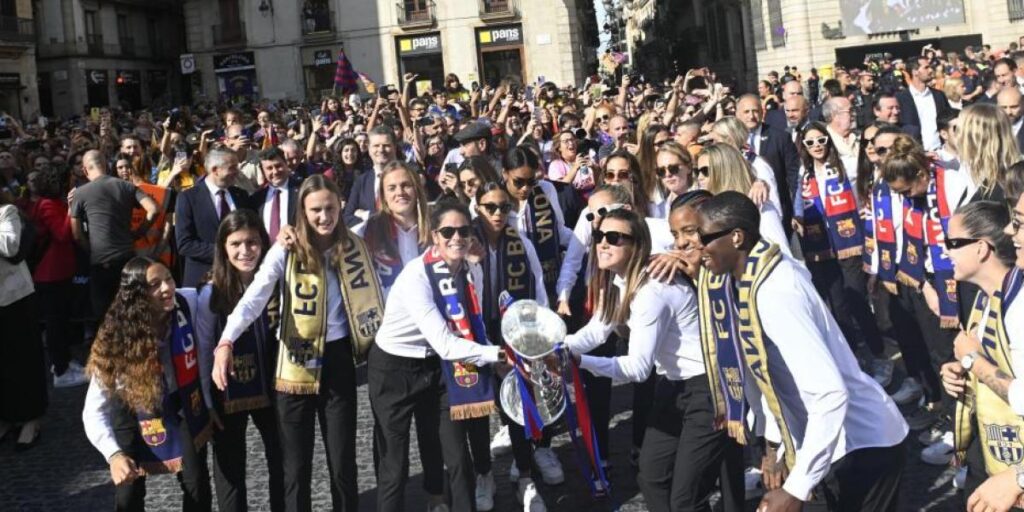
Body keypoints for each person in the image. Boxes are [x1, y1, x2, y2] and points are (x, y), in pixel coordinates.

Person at [698, 191, 908, 511]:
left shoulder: (775, 291)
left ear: (736, 237)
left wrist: (796, 488)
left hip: (861, 443)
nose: (694, 247)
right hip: (832, 443)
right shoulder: (750, 275)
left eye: (702, 237)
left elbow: (829, 394)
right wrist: (775, 446)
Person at [214, 175, 384, 512]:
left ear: (341, 206)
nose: (324, 217)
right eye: (315, 210)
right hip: (293, 360)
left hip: (337, 360)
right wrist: (225, 342)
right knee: (296, 466)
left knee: (342, 463)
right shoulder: (285, 250)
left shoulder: (355, 243)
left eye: (330, 208)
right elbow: (254, 298)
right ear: (302, 212)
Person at [563, 207, 743, 511]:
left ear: (636, 246)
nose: (602, 243)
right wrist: (556, 348)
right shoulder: (619, 281)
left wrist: (581, 363)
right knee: (652, 477)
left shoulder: (651, 291)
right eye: (598, 236)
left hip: (708, 387)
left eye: (614, 237)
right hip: (673, 385)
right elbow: (597, 330)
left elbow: (637, 367)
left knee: (686, 497)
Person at [369, 198, 509, 512]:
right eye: (448, 231)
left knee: (457, 456)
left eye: (464, 231)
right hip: (395, 368)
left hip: (438, 366)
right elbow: (446, 342)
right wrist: (496, 354)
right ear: (435, 236)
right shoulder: (416, 276)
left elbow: (475, 323)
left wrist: (494, 361)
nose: (457, 238)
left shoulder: (472, 268)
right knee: (395, 463)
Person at [82, 257, 213, 511]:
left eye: (169, 279)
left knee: (197, 484)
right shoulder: (115, 338)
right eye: (155, 284)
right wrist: (114, 455)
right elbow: (93, 410)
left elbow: (217, 289)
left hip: (181, 403)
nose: (167, 288)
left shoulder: (186, 303)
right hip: (131, 410)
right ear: (138, 295)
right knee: (127, 495)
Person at [936, 201, 1024, 511]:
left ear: (982, 249)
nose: (945, 252)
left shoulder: (1019, 306)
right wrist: (961, 371)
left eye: (953, 243)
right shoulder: (984, 299)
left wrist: (974, 361)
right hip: (993, 459)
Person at [196, 210, 285, 512]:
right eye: (235, 244)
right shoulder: (210, 293)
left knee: (282, 461)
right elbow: (206, 346)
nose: (245, 251)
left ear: (263, 244)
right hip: (227, 393)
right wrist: (207, 403)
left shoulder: (278, 282)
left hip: (274, 384)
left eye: (252, 242)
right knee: (230, 470)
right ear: (223, 247)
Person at [470, 181, 550, 511]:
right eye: (491, 207)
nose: (499, 214)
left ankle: (526, 476)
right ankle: (483, 473)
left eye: (504, 207)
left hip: (511, 331)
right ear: (477, 207)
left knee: (516, 405)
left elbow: (540, 288)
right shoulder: (465, 241)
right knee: (474, 407)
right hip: (473, 332)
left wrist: (540, 336)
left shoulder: (522, 243)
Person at [880, 134, 963, 430]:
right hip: (929, 281)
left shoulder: (950, 181)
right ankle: (949, 419)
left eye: (907, 190)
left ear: (921, 174)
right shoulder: (913, 196)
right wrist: (926, 287)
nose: (905, 198)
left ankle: (961, 428)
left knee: (956, 356)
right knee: (939, 355)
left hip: (959, 278)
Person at [794, 122, 888, 378]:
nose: (816, 146)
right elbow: (798, 205)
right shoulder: (804, 173)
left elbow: (863, 192)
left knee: (857, 299)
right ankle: (852, 359)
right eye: (810, 142)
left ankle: (878, 354)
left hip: (849, 241)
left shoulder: (845, 166)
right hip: (820, 246)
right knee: (838, 305)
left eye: (821, 140)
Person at [71, 149, 160, 319]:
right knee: (132, 312)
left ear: (84, 170)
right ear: (107, 165)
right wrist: (139, 233)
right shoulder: (127, 186)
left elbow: (76, 234)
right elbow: (154, 209)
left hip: (101, 263)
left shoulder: (80, 193)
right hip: (127, 260)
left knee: (104, 317)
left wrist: (92, 250)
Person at [28, 165, 87, 387]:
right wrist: (72, 207)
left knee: (61, 321)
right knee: (55, 323)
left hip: (59, 271)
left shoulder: (51, 203)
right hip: (51, 273)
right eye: (70, 179)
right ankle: (60, 372)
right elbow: (63, 234)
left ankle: (63, 361)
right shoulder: (46, 205)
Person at [502, 147, 573, 301]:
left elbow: (559, 231)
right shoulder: (492, 199)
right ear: (505, 174)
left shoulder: (546, 190)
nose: (525, 188)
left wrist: (586, 239)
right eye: (518, 182)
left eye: (531, 181)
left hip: (549, 279)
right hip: (511, 282)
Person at [694, 144, 790, 254]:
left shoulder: (758, 203)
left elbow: (781, 252)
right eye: (697, 172)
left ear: (725, 171)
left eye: (705, 171)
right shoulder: (705, 207)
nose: (699, 177)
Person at [175, 148, 251, 287]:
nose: (237, 172)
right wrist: (226, 252)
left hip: (238, 279)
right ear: (215, 170)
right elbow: (185, 244)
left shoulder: (241, 195)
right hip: (203, 280)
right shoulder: (188, 198)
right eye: (232, 167)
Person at [343, 125, 397, 226]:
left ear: (395, 147)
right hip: (369, 240)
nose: (381, 150)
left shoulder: (407, 176)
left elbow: (406, 214)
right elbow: (347, 218)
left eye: (386, 145)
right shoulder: (361, 181)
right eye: (376, 146)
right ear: (369, 149)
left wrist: (366, 215)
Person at [896, 56, 954, 151]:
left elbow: (948, 119)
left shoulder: (939, 95)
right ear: (915, 72)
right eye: (926, 67)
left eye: (930, 67)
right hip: (915, 154)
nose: (931, 70)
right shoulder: (901, 98)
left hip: (940, 152)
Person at [250, 147, 300, 242]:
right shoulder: (257, 199)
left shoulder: (302, 190)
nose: (275, 172)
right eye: (269, 168)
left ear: (286, 164)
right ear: (263, 171)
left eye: (278, 166)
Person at [547, 129, 596, 196]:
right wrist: (575, 167)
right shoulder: (555, 165)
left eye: (572, 140)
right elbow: (561, 188)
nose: (571, 143)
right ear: (559, 147)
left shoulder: (586, 158)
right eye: (566, 141)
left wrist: (595, 169)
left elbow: (599, 183)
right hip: (574, 201)